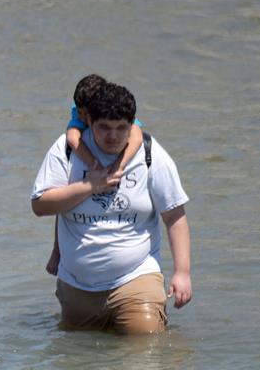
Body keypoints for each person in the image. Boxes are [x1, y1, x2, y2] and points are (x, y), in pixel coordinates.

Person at [31, 82, 192, 334]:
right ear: (89, 121)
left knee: (146, 351)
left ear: (133, 124)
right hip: (76, 287)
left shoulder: (150, 153)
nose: (113, 136)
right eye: (104, 127)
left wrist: (182, 272)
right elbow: (40, 206)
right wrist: (88, 186)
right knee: (82, 364)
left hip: (136, 277)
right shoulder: (66, 149)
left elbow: (174, 215)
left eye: (121, 128)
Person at [46, 74, 145, 275]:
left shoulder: (113, 114)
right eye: (80, 113)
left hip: (115, 168)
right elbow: (72, 137)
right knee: (64, 207)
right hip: (91, 171)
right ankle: (57, 251)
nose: (82, 118)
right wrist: (94, 164)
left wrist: (119, 165)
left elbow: (137, 135)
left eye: (86, 114)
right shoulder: (79, 116)